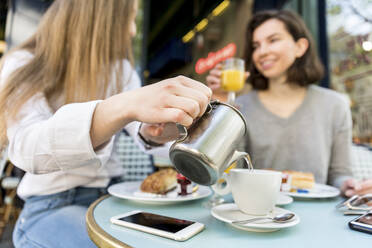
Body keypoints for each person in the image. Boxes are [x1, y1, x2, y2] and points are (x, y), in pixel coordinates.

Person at [0, 0, 211, 247]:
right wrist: (123, 106)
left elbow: (144, 131)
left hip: (112, 199)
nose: (132, 30)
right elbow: (28, 149)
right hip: (51, 204)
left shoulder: (119, 69)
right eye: (129, 18)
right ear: (99, 17)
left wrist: (164, 128)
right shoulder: (25, 62)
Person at [207, 9, 372, 197]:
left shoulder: (334, 105)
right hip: (258, 214)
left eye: (273, 40)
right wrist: (221, 108)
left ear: (300, 47)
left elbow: (339, 174)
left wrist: (350, 186)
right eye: (256, 45)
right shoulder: (240, 107)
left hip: (318, 216)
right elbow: (228, 173)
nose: (262, 52)